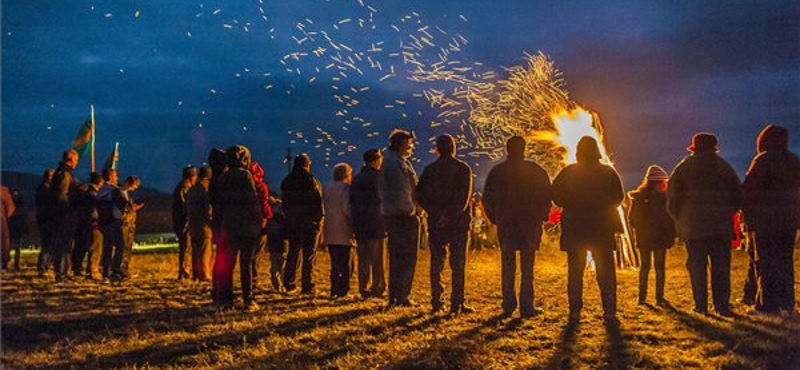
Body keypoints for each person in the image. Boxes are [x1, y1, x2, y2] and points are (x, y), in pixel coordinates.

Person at [668, 133, 741, 316]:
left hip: (694, 228)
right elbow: (738, 196)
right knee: (721, 268)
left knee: (697, 268)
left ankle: (701, 305)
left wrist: (680, 218)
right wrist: (726, 212)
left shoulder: (683, 168)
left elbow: (672, 200)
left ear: (694, 147)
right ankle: (722, 306)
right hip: (721, 227)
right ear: (714, 147)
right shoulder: (724, 167)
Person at [553, 136, 624, 323]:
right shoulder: (608, 172)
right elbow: (618, 197)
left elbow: (556, 197)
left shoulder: (568, 172)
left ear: (578, 152)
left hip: (575, 227)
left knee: (575, 271)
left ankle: (575, 311)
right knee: (606, 271)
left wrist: (573, 203)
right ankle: (610, 311)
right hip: (602, 227)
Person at [483, 136, 552, 318]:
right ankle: (526, 306)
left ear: (507, 149)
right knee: (527, 267)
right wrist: (542, 216)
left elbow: (488, 198)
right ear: (524, 149)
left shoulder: (498, 172)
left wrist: (496, 218)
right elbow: (547, 195)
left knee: (508, 266)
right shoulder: (535, 170)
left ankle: (508, 304)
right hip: (529, 223)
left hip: (507, 224)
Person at [742, 125, 800, 314]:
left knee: (765, 262)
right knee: (785, 262)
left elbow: (749, 191)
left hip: (765, 221)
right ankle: (787, 303)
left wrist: (748, 218)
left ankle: (766, 304)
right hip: (788, 220)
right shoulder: (793, 161)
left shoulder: (762, 160)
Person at [416, 135, 474, 314]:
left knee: (437, 262)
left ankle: (437, 301)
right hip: (457, 223)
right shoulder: (463, 169)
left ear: (437, 149)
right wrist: (450, 215)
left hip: (436, 223)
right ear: (454, 148)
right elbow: (463, 198)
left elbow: (420, 194)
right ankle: (457, 303)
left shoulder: (430, 170)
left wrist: (436, 213)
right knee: (458, 263)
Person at [217, 145, 263, 311]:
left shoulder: (224, 177)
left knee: (228, 265)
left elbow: (219, 202)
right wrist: (259, 220)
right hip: (246, 227)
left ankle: (226, 300)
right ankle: (248, 299)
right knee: (246, 263)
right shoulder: (245, 175)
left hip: (229, 226)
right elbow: (251, 200)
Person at [379, 129, 421, 307]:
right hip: (402, 216)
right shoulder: (395, 164)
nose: (412, 147)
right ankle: (402, 295)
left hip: (396, 215)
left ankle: (397, 295)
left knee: (397, 257)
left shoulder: (396, 161)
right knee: (405, 257)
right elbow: (401, 192)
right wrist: (413, 210)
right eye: (409, 143)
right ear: (401, 144)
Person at [628, 165, 675, 306]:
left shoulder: (638, 198)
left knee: (645, 266)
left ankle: (642, 297)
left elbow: (632, 220)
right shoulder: (664, 199)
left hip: (644, 237)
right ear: (657, 183)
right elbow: (668, 219)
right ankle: (659, 298)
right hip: (660, 237)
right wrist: (672, 234)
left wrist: (642, 229)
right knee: (660, 267)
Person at [281, 153, 324, 295]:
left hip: (293, 222)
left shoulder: (287, 181)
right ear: (307, 165)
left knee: (293, 253)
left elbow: (285, 203)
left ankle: (289, 282)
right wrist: (319, 220)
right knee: (309, 255)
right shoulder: (311, 180)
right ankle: (308, 285)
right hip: (309, 223)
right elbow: (318, 202)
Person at [350, 148, 387, 299]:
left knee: (363, 259)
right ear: (377, 160)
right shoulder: (380, 178)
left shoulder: (357, 179)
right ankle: (377, 287)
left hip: (360, 224)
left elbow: (352, 202)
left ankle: (363, 287)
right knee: (377, 259)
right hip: (377, 223)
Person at [49, 150, 81, 281]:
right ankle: (61, 273)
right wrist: (73, 202)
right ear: (71, 160)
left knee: (66, 245)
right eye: (76, 161)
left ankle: (64, 272)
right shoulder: (64, 175)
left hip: (63, 214)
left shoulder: (63, 173)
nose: (77, 163)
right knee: (64, 245)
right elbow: (61, 195)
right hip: (64, 215)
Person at [208, 148, 231, 306]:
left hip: (219, 223)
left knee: (221, 260)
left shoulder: (214, 179)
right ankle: (222, 294)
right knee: (224, 261)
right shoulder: (221, 180)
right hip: (224, 224)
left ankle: (218, 292)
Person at [72, 172, 105, 280]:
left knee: (81, 246)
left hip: (81, 222)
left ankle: (77, 268)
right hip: (93, 222)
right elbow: (95, 209)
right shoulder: (94, 193)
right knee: (95, 247)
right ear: (100, 181)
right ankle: (93, 270)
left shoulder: (82, 191)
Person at [250, 161, 273, 295]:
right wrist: (268, 215)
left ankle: (250, 279)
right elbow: (264, 205)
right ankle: (254, 279)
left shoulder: (245, 186)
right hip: (260, 222)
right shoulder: (261, 187)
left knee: (249, 253)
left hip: (247, 222)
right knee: (256, 253)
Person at [187, 166, 213, 282]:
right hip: (203, 226)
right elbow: (208, 210)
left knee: (195, 251)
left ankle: (196, 274)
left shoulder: (191, 190)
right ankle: (205, 274)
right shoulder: (204, 191)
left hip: (193, 225)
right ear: (207, 178)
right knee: (204, 251)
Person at [173, 166, 197, 280]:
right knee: (185, 247)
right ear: (191, 177)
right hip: (183, 223)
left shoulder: (183, 186)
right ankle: (184, 272)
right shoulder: (184, 188)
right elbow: (185, 207)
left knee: (186, 247)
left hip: (183, 222)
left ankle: (184, 271)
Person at [98, 168, 120, 279]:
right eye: (116, 176)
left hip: (105, 221)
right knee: (112, 247)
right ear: (111, 177)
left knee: (109, 247)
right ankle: (111, 271)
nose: (117, 178)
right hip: (110, 221)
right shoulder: (110, 190)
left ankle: (108, 270)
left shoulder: (102, 189)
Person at [35, 168, 56, 276]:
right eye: (51, 176)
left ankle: (45, 266)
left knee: (50, 244)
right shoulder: (45, 189)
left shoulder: (44, 188)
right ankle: (43, 267)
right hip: (47, 219)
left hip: (46, 219)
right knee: (47, 244)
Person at [266, 197, 288, 292]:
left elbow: (266, 231)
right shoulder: (284, 220)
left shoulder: (270, 220)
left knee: (274, 269)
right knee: (282, 268)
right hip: (282, 247)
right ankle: (283, 285)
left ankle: (277, 285)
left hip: (273, 247)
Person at [0, 185, 16, 271]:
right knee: (3, 242)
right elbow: (10, 209)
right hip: (2, 221)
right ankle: (3, 263)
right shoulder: (4, 192)